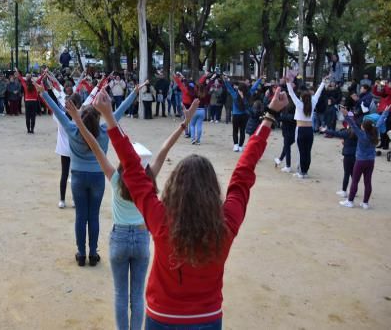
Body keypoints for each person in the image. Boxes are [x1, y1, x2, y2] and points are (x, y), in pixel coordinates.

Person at [95, 87, 289, 329]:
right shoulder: (225, 224)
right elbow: (243, 173)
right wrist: (269, 115)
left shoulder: (161, 220)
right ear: (212, 191)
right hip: (207, 318)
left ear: (174, 189)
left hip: (162, 317)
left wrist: (110, 118)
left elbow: (133, 170)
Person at [68, 97, 190, 330]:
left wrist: (77, 121)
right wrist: (184, 124)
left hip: (120, 238)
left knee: (120, 295)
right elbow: (165, 149)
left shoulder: (115, 178)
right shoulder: (149, 180)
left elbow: (94, 145)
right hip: (143, 238)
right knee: (137, 296)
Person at [37, 79, 140, 267]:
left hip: (77, 176)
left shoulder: (72, 129)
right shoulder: (104, 130)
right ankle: (93, 253)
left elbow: (58, 112)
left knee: (80, 216)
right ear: (98, 118)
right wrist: (134, 93)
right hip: (97, 177)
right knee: (93, 216)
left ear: (81, 118)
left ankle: (81, 253)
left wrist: (43, 92)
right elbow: (119, 112)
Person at [338, 106, 389, 209]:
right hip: (371, 161)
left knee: (355, 181)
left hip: (360, 161)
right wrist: (386, 112)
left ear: (363, 127)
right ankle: (365, 203)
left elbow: (352, 124)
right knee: (368, 182)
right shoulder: (375, 131)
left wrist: (346, 114)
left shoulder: (361, 135)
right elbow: (380, 121)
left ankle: (350, 201)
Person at [286, 74, 327, 178]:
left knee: (301, 152)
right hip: (310, 130)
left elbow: (291, 94)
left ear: (302, 98)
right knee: (307, 152)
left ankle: (301, 172)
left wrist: (288, 83)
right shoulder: (313, 102)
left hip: (300, 129)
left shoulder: (299, 105)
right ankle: (305, 172)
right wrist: (323, 82)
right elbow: (318, 93)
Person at [223, 76, 263, 152]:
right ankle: (241, 146)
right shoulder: (248, 94)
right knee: (242, 130)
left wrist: (225, 81)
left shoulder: (235, 95)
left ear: (239, 89)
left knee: (235, 130)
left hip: (236, 115)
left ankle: (236, 145)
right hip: (245, 115)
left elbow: (229, 88)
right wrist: (259, 80)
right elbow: (254, 87)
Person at [320, 120, 358, 198]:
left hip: (347, 155)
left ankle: (344, 191)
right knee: (353, 174)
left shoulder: (347, 133)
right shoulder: (358, 133)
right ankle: (354, 190)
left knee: (346, 174)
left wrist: (325, 130)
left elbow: (335, 133)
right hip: (355, 156)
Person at [15, 69, 44, 134]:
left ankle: (28, 130)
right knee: (33, 116)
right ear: (31, 78)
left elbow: (20, 77)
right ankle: (32, 130)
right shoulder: (35, 83)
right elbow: (41, 78)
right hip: (34, 102)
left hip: (27, 102)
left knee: (27, 116)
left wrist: (17, 71)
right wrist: (45, 72)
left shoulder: (25, 84)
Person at [274, 97, 296, 173]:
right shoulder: (294, 114)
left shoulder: (287, 116)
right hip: (292, 134)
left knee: (287, 149)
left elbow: (279, 118)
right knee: (286, 147)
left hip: (287, 134)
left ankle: (288, 166)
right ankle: (280, 160)